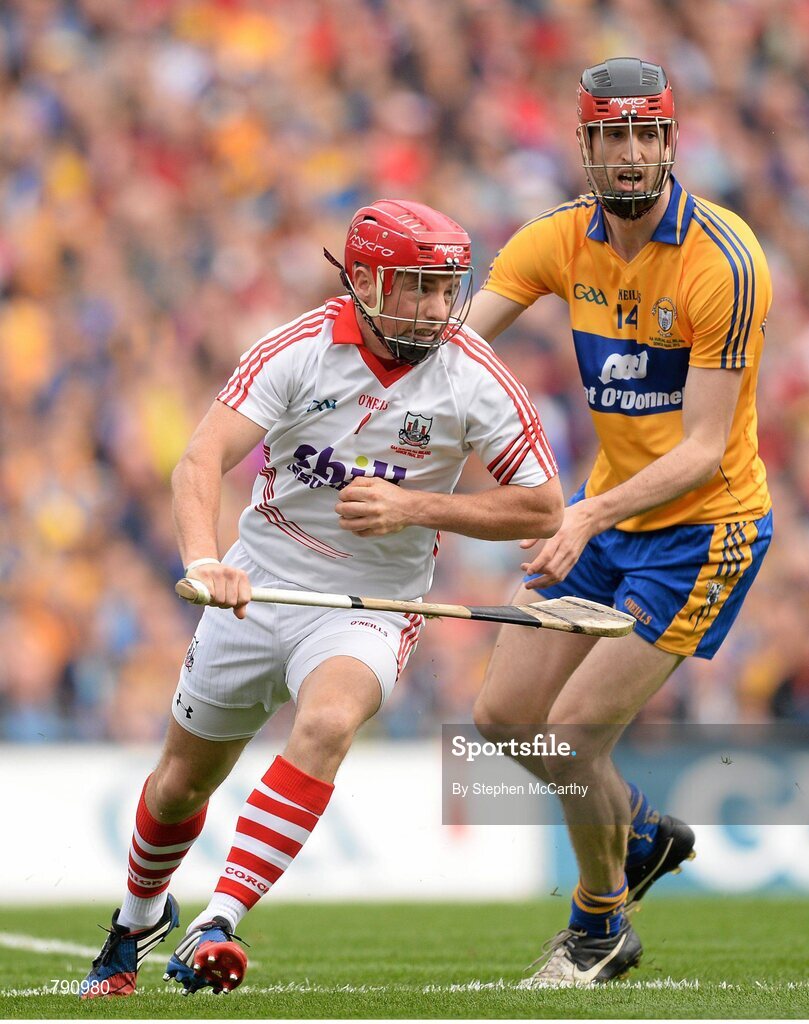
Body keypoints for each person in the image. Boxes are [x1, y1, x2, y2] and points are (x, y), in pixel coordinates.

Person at [80, 200, 563, 998]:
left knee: (330, 720)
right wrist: (205, 561)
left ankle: (218, 920)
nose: (439, 308)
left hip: (370, 604)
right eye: (418, 288)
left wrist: (416, 507)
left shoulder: (474, 372)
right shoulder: (296, 351)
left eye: (447, 290)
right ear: (366, 281)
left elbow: (542, 506)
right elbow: (199, 462)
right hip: (257, 585)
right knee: (178, 785)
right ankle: (135, 920)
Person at [467, 57, 774, 986]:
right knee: (501, 715)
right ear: (586, 146)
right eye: (612, 137)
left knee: (566, 736)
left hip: (702, 529)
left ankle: (600, 924)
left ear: (670, 141)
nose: (631, 155)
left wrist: (583, 511)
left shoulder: (724, 260)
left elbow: (704, 449)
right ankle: (636, 834)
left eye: (647, 135)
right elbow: (462, 350)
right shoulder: (557, 240)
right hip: (608, 522)